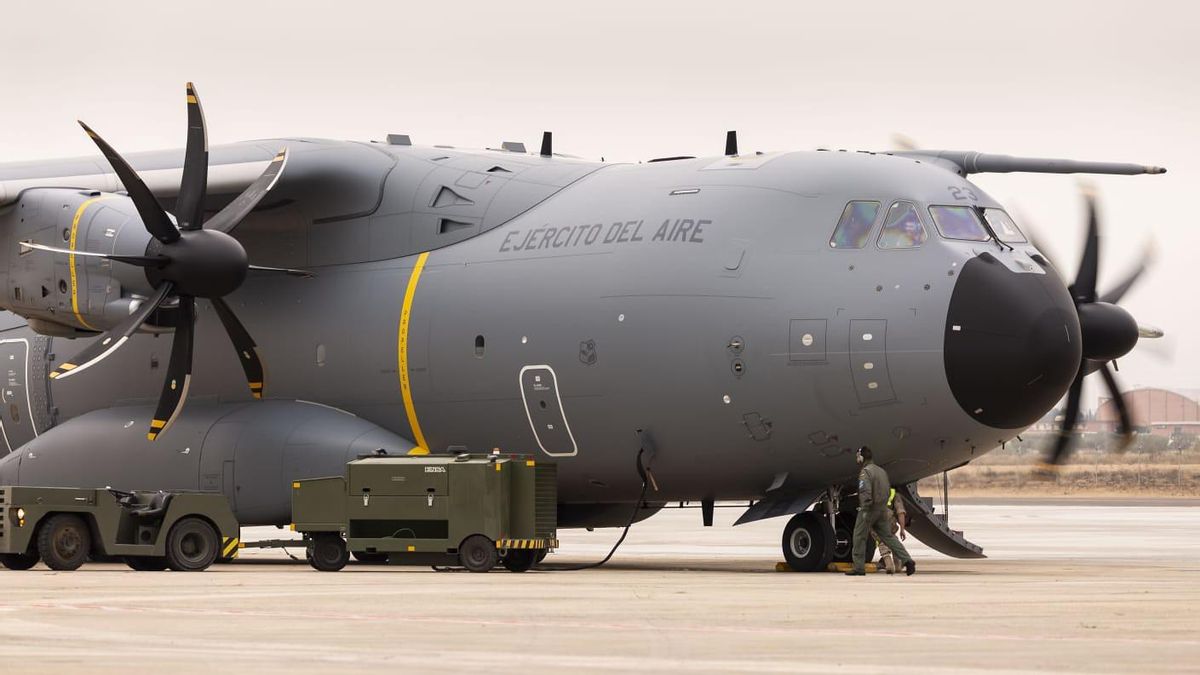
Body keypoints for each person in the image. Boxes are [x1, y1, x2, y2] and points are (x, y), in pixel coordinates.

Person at [846, 446, 915, 576]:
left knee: (859, 536)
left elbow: (865, 491)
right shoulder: (881, 471)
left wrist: (865, 507)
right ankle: (908, 560)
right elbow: (887, 491)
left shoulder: (865, 472)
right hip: (883, 510)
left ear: (861, 458)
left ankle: (859, 568)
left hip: (869, 509)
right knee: (888, 537)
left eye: (857, 457)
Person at [873, 487, 909, 574]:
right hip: (890, 519)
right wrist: (902, 529)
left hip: (877, 518)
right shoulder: (894, 493)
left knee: (882, 541)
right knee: (892, 539)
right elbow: (900, 512)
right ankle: (897, 565)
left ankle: (888, 563)